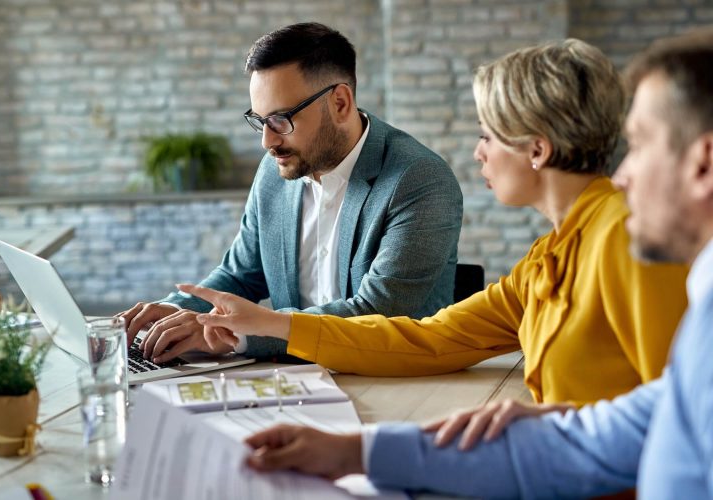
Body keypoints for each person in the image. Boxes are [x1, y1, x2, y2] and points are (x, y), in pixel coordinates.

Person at [191, 30, 713, 497]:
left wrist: (560, 422)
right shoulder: (550, 254)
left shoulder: (625, 237)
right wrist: (273, 325)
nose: (477, 152)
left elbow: (676, 428)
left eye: (488, 134)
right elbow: (431, 338)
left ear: (536, 148)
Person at [119, 22, 462, 362]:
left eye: (281, 119)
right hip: (297, 382)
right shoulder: (276, 170)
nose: (267, 141)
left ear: (340, 102)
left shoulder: (419, 179)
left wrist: (233, 335)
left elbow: (377, 315)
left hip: (394, 382)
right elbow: (241, 275)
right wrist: (173, 310)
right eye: (260, 120)